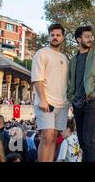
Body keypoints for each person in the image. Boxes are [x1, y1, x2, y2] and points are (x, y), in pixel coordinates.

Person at [68, 25, 95, 162]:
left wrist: (93, 95)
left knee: (88, 139)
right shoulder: (73, 60)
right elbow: (71, 81)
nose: (90, 39)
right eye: (87, 36)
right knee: (81, 140)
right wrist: (71, 98)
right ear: (78, 39)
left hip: (91, 101)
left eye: (91, 36)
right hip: (77, 103)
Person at [31, 23, 70, 162]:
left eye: (58, 35)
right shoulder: (41, 53)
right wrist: (42, 99)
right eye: (52, 35)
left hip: (62, 104)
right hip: (46, 102)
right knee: (46, 136)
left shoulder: (64, 58)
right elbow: (37, 79)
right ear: (48, 36)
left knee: (54, 138)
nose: (55, 37)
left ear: (63, 38)